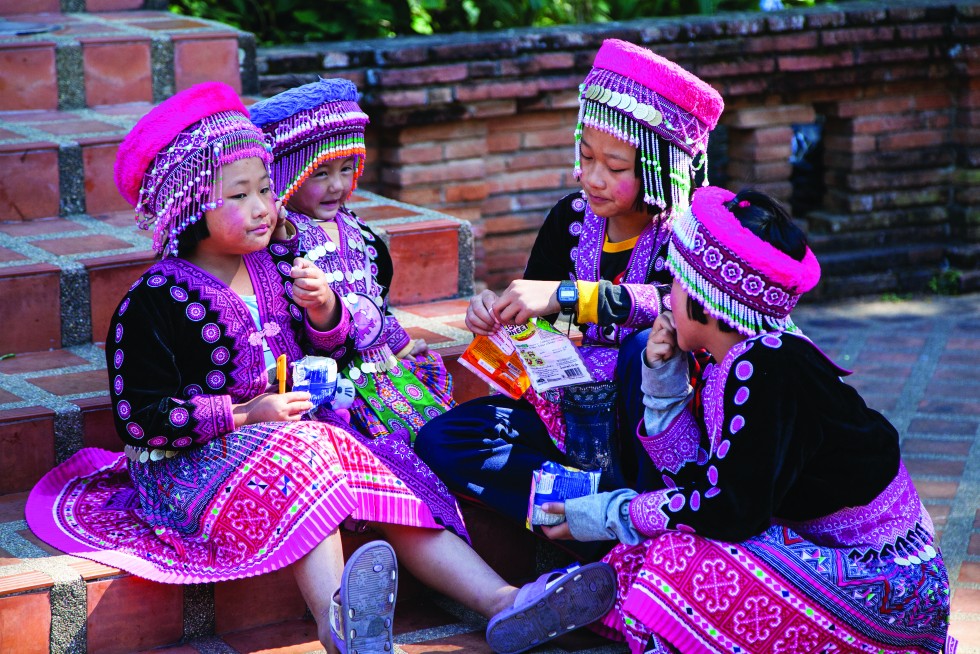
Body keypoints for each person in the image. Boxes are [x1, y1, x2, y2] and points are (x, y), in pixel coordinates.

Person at [25, 81, 616, 654]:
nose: (264, 207)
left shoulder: (283, 265)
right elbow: (141, 418)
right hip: (191, 464)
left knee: (379, 457)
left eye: (264, 188)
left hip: (290, 439)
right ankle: (343, 631)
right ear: (188, 207)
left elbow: (333, 347)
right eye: (239, 196)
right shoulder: (153, 301)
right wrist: (241, 414)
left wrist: (327, 311)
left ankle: (504, 602)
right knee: (311, 455)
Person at [540, 187, 954, 654]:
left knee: (676, 559)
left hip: (890, 587)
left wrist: (612, 513)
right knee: (643, 552)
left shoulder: (765, 366)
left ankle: (640, 620)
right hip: (830, 558)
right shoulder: (736, 358)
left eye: (675, 282)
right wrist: (663, 383)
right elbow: (698, 477)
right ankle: (603, 610)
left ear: (704, 295)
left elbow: (730, 512)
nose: (666, 298)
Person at [415, 39, 725, 543]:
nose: (593, 178)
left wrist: (566, 296)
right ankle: (590, 505)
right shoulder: (570, 218)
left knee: (641, 349)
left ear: (661, 166)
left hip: (645, 428)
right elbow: (541, 315)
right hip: (563, 412)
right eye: (585, 155)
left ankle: (624, 507)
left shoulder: (687, 234)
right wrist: (502, 313)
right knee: (444, 439)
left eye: (617, 168)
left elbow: (672, 303)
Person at [249, 77, 454, 447]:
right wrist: (278, 229)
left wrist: (403, 347)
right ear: (286, 173)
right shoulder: (284, 232)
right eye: (321, 173)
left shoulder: (354, 226)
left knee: (432, 429)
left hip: (382, 368)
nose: (337, 186)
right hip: (331, 378)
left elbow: (372, 300)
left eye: (346, 169)